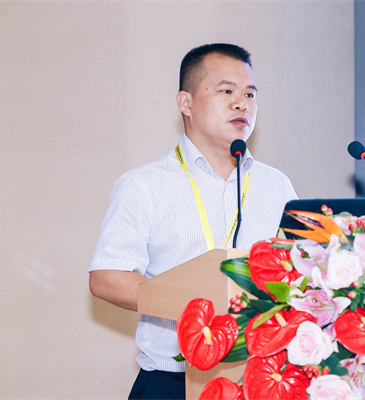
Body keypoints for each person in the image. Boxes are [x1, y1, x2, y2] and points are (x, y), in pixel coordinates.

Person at [89, 43, 297, 399]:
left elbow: (297, 271)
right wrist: (195, 303)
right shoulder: (145, 184)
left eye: (249, 94)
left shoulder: (276, 185)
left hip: (260, 379)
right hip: (171, 383)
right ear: (185, 103)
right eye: (226, 91)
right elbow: (107, 278)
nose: (241, 103)